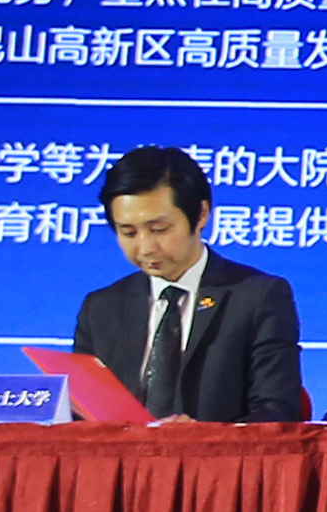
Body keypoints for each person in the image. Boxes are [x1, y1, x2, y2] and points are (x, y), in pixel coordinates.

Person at [66, 145, 305, 424]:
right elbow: (81, 418)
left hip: (215, 452)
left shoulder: (257, 296)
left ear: (201, 214)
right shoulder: (101, 308)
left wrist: (201, 437)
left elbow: (278, 411)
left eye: (159, 229)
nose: (146, 247)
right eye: (128, 233)